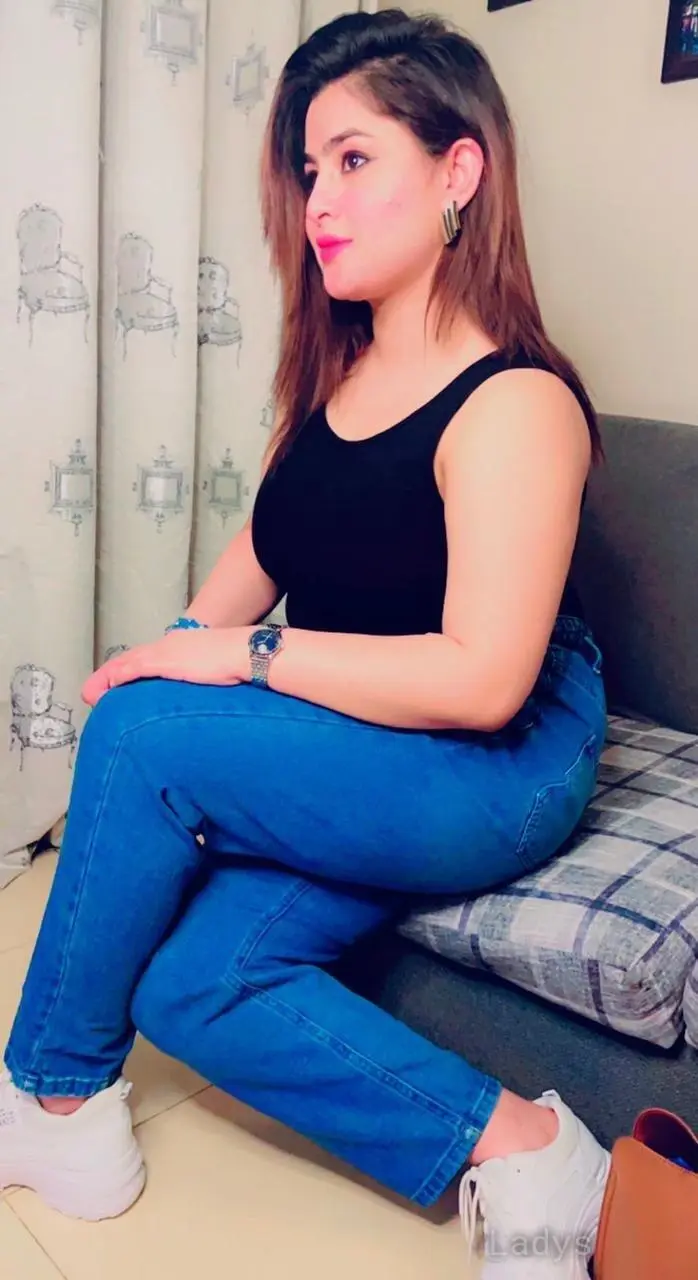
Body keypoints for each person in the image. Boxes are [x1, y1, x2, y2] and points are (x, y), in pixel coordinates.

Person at [1, 10, 610, 1276]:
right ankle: (526, 1144)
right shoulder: (329, 385)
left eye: (353, 158)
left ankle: (53, 1094)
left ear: (456, 171)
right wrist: (173, 671)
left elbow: (484, 677)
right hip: (367, 734)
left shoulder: (517, 400)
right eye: (307, 166)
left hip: (496, 760)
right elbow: (225, 601)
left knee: (152, 729)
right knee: (186, 981)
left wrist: (231, 672)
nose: (316, 198)